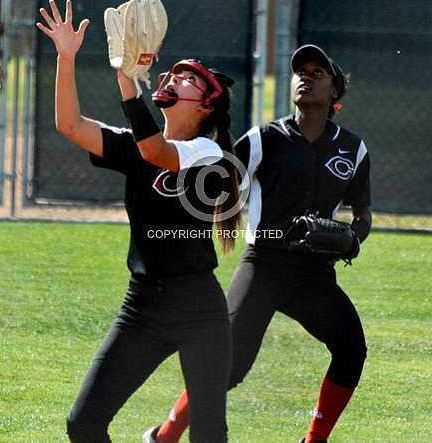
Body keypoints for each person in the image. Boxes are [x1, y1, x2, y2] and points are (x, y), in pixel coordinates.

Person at [36, 0, 242, 443]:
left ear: (207, 105)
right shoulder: (138, 143)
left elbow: (157, 153)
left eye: (189, 79)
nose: (174, 78)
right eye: (173, 73)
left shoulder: (208, 154)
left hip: (199, 309)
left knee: (208, 434)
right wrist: (66, 57)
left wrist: (126, 78)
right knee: (83, 424)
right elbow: (69, 124)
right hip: (143, 307)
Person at [145, 44, 372, 443]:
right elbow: (220, 167)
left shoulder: (353, 149)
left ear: (335, 90)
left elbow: (363, 212)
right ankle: (164, 436)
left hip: (314, 274)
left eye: (317, 72)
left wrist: (354, 237)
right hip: (264, 265)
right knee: (228, 366)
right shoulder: (267, 138)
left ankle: (313, 441)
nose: (305, 76)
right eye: (300, 71)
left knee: (351, 348)